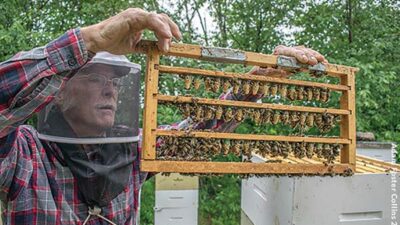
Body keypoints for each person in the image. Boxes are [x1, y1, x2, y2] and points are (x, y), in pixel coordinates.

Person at [0, 8, 327, 225]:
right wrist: (91, 40)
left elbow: (200, 131)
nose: (110, 90)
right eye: (95, 78)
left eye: (114, 81)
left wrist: (260, 79)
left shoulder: (133, 148)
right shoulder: (24, 154)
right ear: (60, 92)